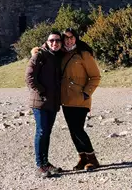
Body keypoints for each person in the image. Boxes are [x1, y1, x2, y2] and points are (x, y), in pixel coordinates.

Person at [60, 27, 102, 171]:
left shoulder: (83, 54)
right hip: (65, 99)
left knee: (78, 129)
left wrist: (86, 93)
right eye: (66, 38)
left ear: (76, 38)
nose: (69, 40)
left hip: (80, 99)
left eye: (71, 37)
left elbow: (95, 77)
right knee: (72, 130)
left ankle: (92, 158)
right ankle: (82, 157)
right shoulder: (62, 54)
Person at [25, 31, 64, 178]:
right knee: (41, 132)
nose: (55, 43)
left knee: (47, 132)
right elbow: (29, 77)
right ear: (46, 42)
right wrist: (41, 91)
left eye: (58, 41)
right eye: (52, 40)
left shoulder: (57, 56)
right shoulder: (39, 55)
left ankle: (45, 163)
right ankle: (39, 165)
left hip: (52, 102)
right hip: (40, 102)